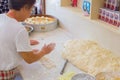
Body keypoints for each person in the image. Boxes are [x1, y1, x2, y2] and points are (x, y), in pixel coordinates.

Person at [0, 0, 56, 79]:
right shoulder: (19, 30)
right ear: (24, 8)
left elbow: (5, 40)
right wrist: (43, 51)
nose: (30, 14)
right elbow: (30, 59)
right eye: (31, 10)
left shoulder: (1, 17)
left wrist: (23, 43)